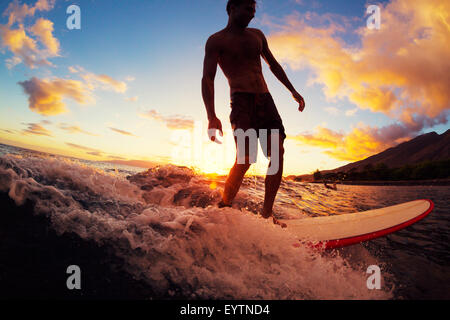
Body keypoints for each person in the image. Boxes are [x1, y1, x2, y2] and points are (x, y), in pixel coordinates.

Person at [201, 0, 305, 228]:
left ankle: (267, 215)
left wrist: (293, 90)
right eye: (248, 9)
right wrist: (211, 115)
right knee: (246, 159)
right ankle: (225, 204)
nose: (252, 15)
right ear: (232, 8)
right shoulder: (216, 41)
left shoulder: (257, 35)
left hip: (266, 102)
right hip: (241, 104)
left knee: (277, 153)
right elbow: (208, 78)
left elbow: (273, 65)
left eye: (254, 11)